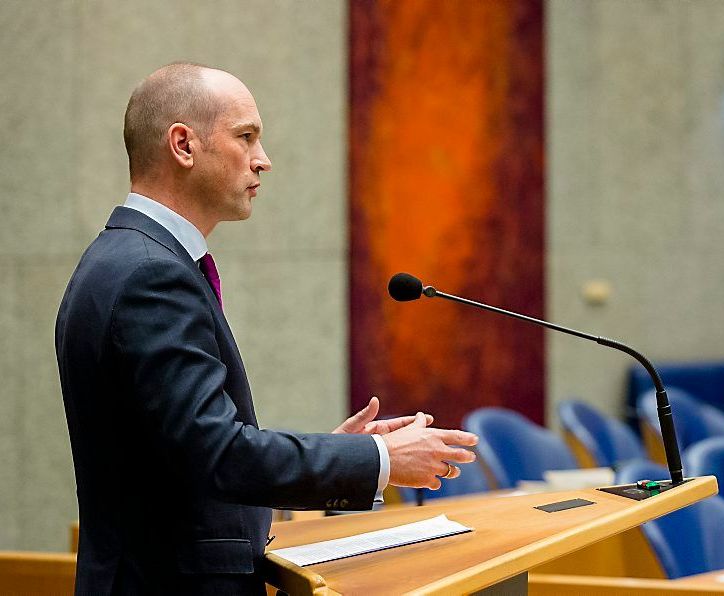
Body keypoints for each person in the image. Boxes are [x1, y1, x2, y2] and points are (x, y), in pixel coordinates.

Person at [55, 63, 478, 595]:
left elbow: (180, 455)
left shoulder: (128, 257)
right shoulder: (149, 274)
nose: (264, 159)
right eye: (246, 136)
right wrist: (380, 460)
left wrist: (338, 451)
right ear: (183, 145)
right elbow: (218, 454)